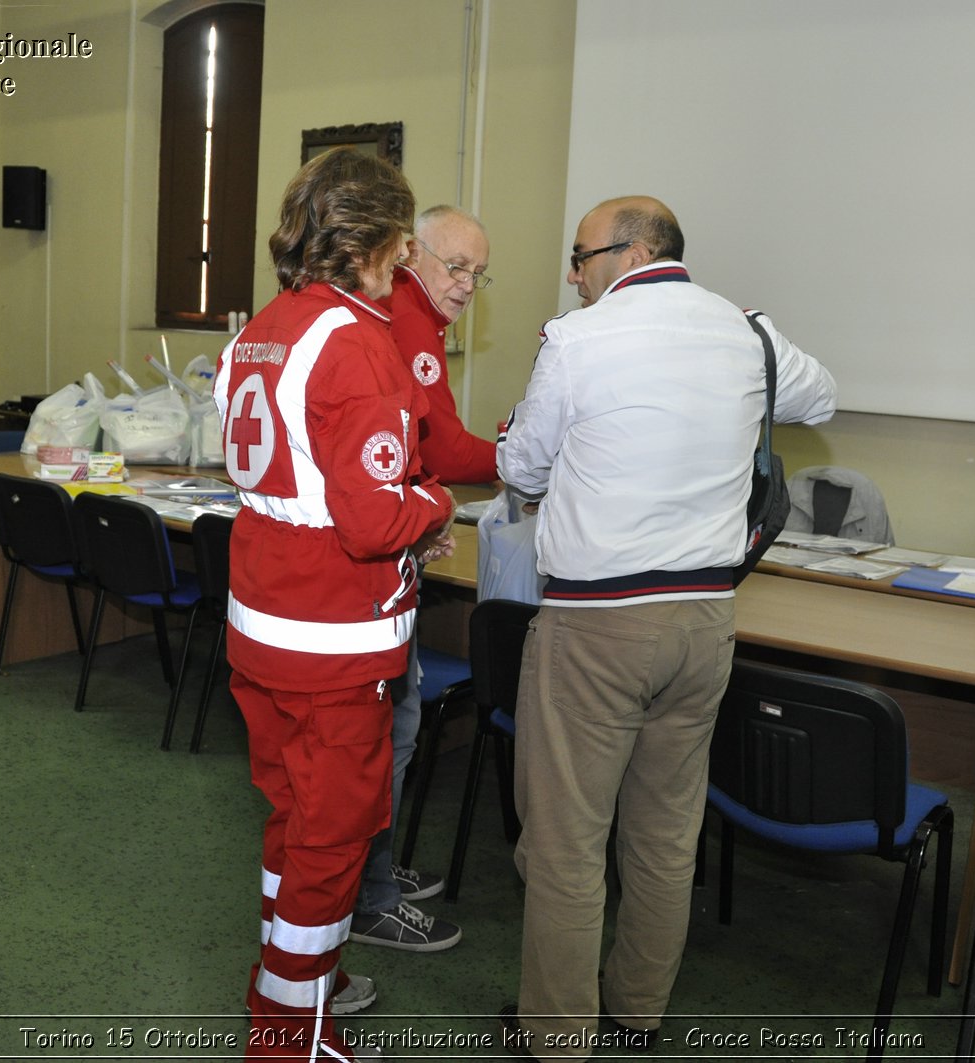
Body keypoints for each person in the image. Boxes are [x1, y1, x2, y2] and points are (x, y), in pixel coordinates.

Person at [495, 195, 837, 1057]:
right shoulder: (746, 333)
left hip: (597, 625)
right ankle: (635, 1016)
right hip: (705, 621)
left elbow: (520, 464)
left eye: (579, 256)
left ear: (631, 251)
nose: (573, 276)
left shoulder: (580, 339)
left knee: (569, 842)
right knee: (663, 835)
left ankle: (558, 1037)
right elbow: (823, 397)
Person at [213, 148, 457, 1061]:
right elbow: (371, 518)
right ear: (384, 243)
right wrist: (435, 504)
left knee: (290, 821)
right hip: (332, 641)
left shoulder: (267, 325)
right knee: (333, 841)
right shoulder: (361, 342)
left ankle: (288, 988)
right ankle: (288, 1035)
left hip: (261, 624)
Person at [349, 205, 495, 954]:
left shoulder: (406, 316)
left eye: (479, 272)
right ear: (410, 257)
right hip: (365, 581)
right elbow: (436, 442)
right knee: (389, 731)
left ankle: (371, 875)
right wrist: (520, 452)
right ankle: (367, 893)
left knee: (392, 727)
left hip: (375, 567)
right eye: (456, 266)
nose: (468, 284)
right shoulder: (405, 319)